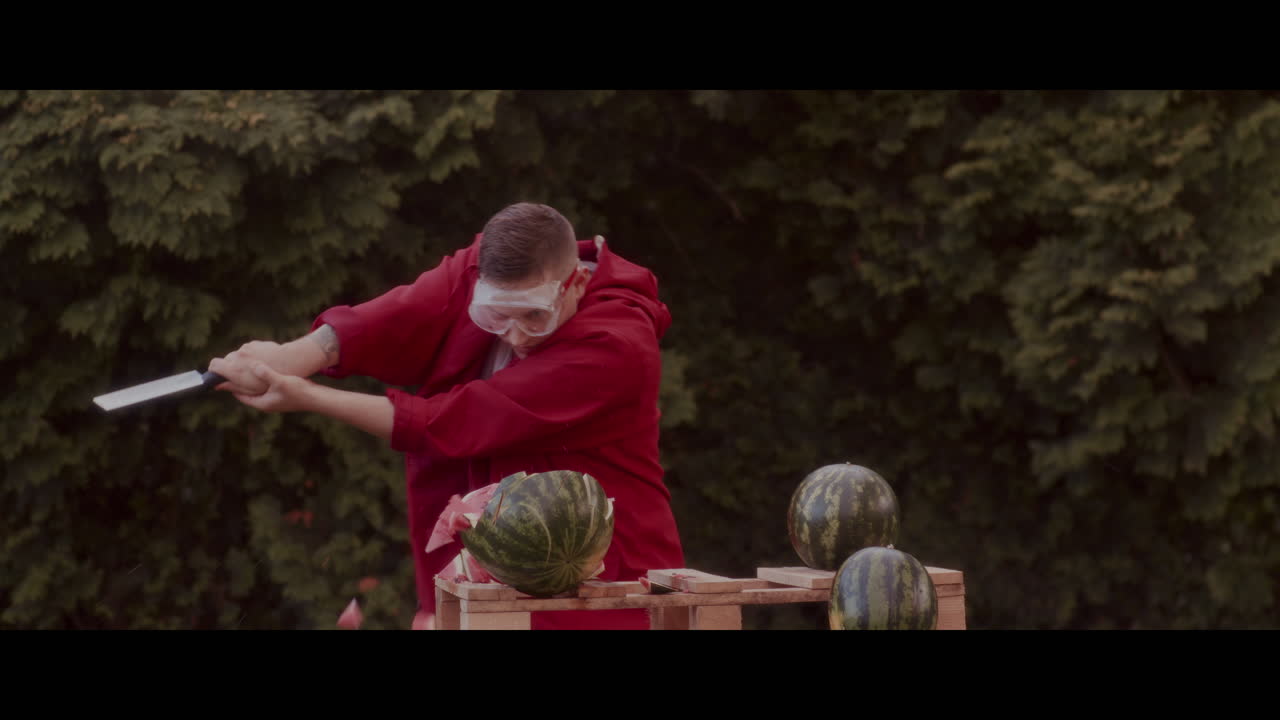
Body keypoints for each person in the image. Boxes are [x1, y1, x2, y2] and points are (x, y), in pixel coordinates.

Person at [209, 202, 684, 630]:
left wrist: (307, 395)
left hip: (603, 574)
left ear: (575, 282)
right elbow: (400, 316)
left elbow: (457, 421)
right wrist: (292, 356)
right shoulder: (479, 268)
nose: (515, 336)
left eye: (533, 317)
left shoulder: (618, 347)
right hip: (497, 569)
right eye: (495, 316)